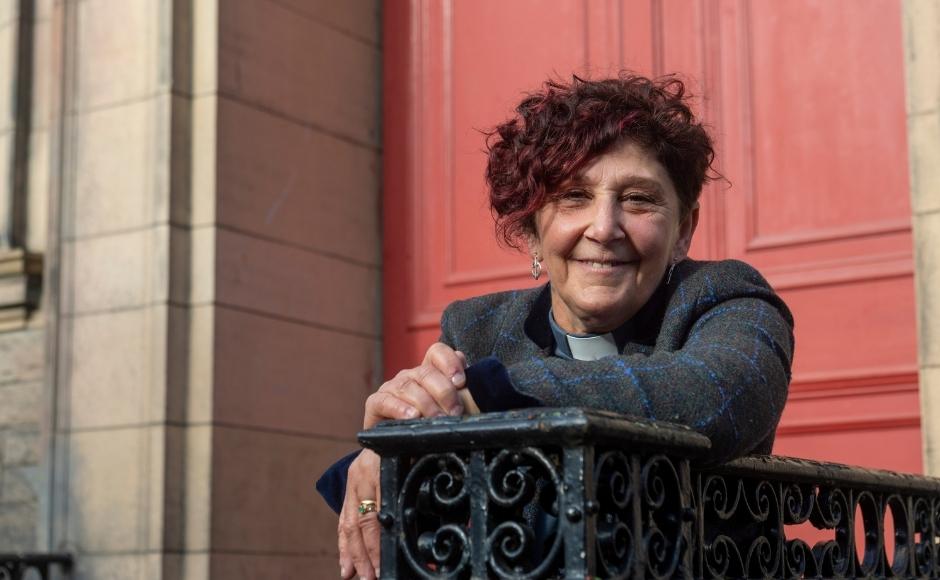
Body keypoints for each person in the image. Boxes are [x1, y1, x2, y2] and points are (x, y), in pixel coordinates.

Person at [319, 72, 795, 580]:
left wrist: (494, 394)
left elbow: (717, 395)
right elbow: (442, 512)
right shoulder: (475, 328)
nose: (605, 227)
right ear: (530, 233)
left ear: (683, 230)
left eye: (638, 199)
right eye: (573, 197)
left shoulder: (726, 297)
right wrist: (388, 450)